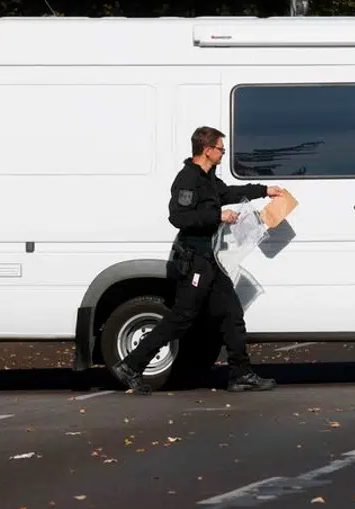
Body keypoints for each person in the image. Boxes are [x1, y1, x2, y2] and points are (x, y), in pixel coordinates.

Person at [117, 126, 287, 395]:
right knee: (182, 317)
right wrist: (217, 217)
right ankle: (131, 365)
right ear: (207, 150)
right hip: (194, 260)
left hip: (209, 259)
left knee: (231, 313)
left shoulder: (208, 178)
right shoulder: (188, 179)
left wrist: (265, 190)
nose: (223, 153)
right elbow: (179, 217)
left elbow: (227, 193)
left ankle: (240, 374)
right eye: (221, 149)